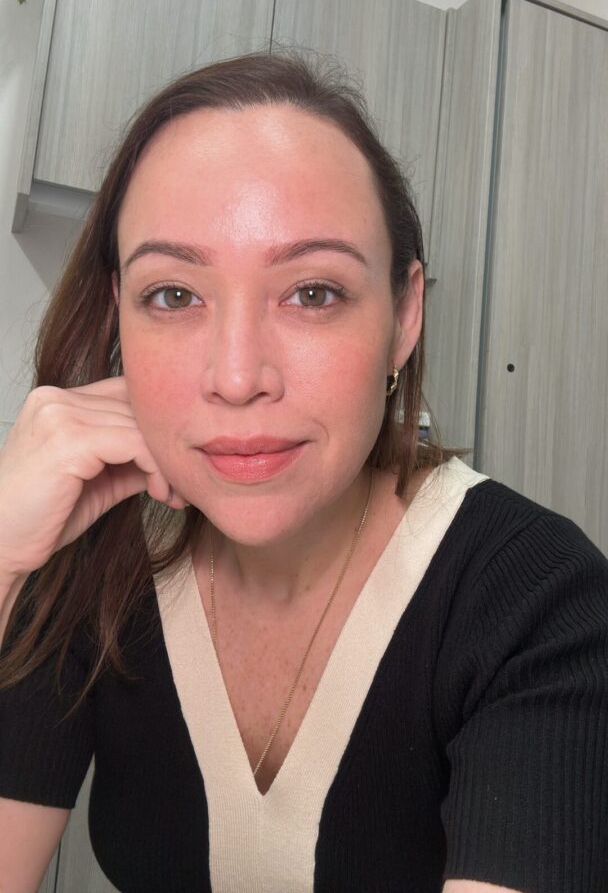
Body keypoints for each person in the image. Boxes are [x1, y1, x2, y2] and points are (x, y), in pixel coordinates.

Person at [0, 52, 606, 893]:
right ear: (118, 322)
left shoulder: (541, 599)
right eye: (174, 296)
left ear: (403, 319)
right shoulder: (88, 562)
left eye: (313, 292)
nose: (239, 376)